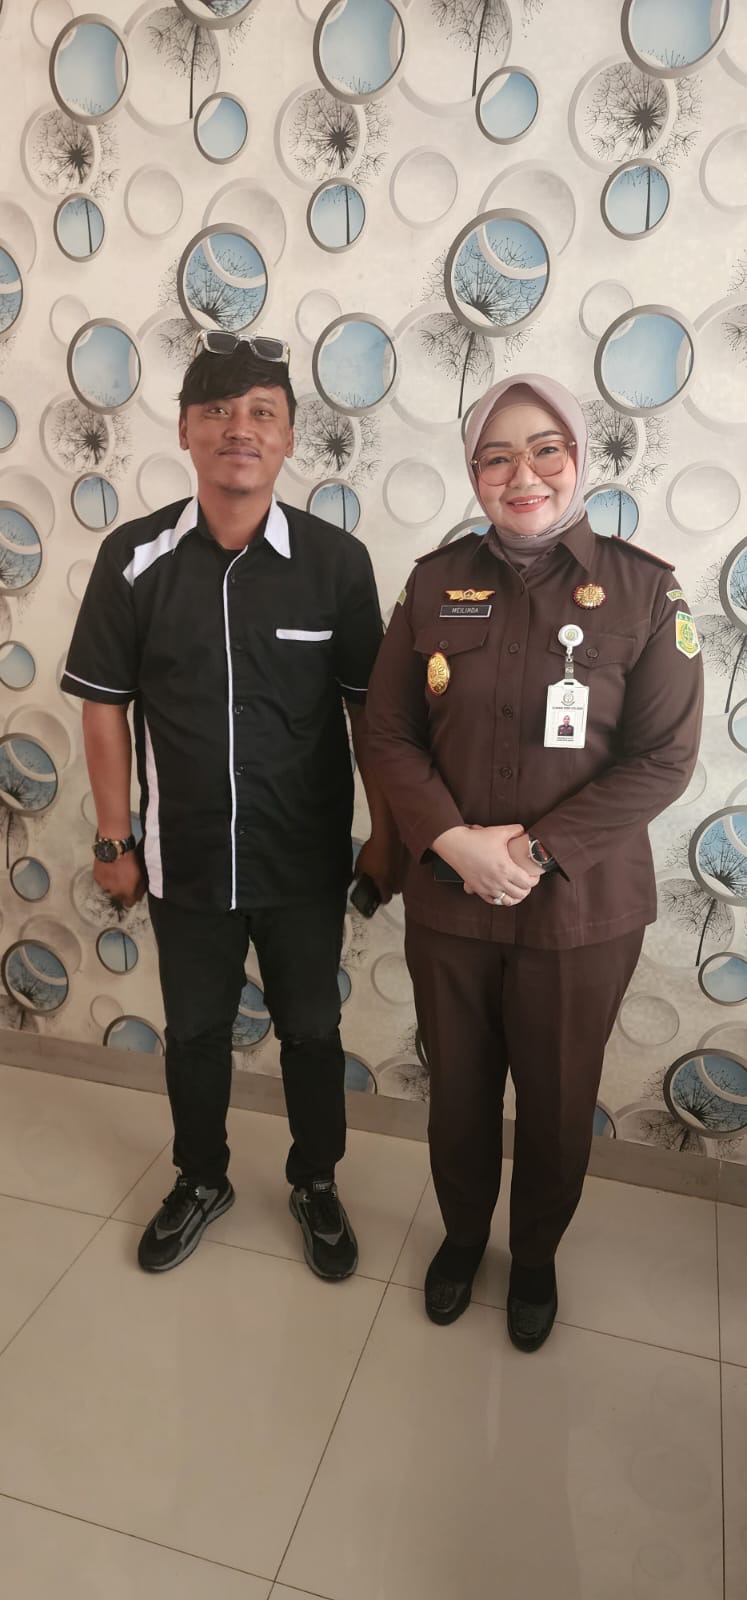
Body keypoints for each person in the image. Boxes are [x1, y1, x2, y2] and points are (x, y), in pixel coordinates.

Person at [366, 374, 703, 1352]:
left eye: (545, 449)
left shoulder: (644, 589)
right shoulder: (433, 583)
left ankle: (536, 1256)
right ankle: (464, 1236)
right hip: (451, 899)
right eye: (497, 456)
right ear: (474, 472)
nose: (524, 474)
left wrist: (533, 850)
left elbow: (664, 759)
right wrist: (452, 841)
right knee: (459, 1091)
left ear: (578, 457)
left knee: (556, 1105)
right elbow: (387, 732)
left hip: (581, 911)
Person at [62, 332, 400, 1279]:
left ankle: (315, 1181)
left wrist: (386, 836)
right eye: (216, 410)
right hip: (186, 855)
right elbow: (103, 707)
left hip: (303, 858)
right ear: (184, 430)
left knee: (312, 1032)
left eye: (261, 412)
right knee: (197, 1034)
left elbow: (369, 716)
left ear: (288, 437)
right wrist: (115, 840)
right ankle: (200, 1178)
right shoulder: (133, 557)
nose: (238, 429)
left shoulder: (336, 563)